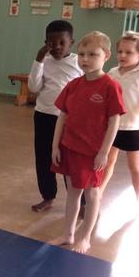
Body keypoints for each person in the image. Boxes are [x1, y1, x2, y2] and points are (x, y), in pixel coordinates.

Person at [51, 31, 125, 253]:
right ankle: (68, 233)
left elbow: (114, 122)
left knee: (92, 194)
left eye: (93, 54)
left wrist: (104, 152)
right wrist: (55, 145)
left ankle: (85, 238)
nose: (85, 59)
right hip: (69, 147)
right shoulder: (73, 85)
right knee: (73, 192)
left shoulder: (110, 86)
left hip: (92, 152)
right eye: (82, 54)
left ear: (106, 56)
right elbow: (63, 116)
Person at [28, 19, 83, 212]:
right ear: (46, 43)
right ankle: (48, 196)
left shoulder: (79, 62)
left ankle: (79, 202)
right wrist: (38, 60)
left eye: (62, 42)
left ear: (71, 43)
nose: (57, 47)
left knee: (70, 160)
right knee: (43, 158)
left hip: (69, 119)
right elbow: (33, 87)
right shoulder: (44, 62)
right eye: (52, 43)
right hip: (44, 115)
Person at [99, 31, 139, 199]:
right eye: (120, 51)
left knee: (135, 166)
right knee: (107, 162)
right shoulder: (112, 72)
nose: (122, 55)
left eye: (128, 52)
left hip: (132, 127)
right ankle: (97, 195)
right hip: (113, 126)